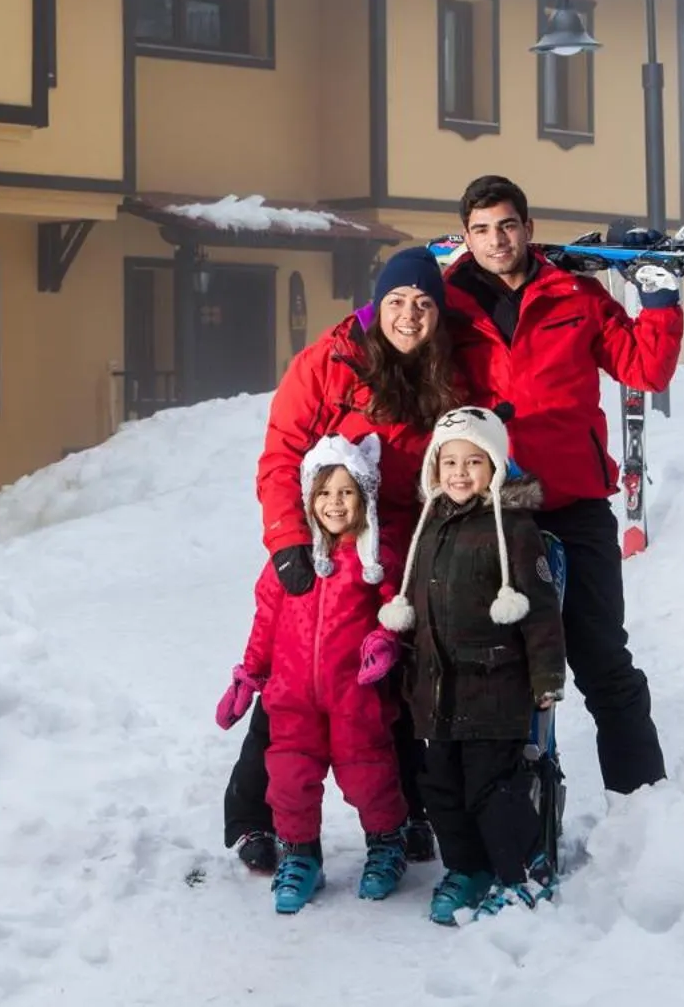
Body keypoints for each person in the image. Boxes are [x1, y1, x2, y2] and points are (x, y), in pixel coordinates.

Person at [222, 247, 468, 874]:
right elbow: (280, 457)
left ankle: (406, 811)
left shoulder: (443, 371)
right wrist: (287, 544)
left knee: (395, 684)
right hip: (326, 538)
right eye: (395, 302)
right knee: (293, 680)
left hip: (399, 549)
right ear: (374, 304)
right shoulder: (326, 363)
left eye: (422, 304)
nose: (409, 316)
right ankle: (257, 817)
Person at [440, 174, 681, 795]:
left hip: (573, 504)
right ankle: (509, 814)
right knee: (492, 672)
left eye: (508, 226)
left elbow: (645, 369)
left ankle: (643, 805)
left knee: (603, 661)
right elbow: (395, 350)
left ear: (528, 227)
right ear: (466, 236)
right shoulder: (446, 303)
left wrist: (657, 302)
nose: (497, 241)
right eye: (483, 230)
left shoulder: (574, 295)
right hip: (488, 512)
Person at [378, 405, 566, 924]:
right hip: (436, 693)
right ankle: (467, 868)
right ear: (433, 469)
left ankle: (520, 871)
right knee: (439, 788)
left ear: (496, 466)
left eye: (473, 461)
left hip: (494, 691)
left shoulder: (514, 530)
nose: (459, 473)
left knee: (492, 789)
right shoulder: (429, 527)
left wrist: (547, 675)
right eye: (449, 461)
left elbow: (543, 611)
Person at [216, 434, 412, 914]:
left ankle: (387, 844)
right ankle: (301, 857)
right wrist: (250, 675)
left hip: (355, 697)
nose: (334, 503)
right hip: (292, 698)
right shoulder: (291, 562)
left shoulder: (376, 559)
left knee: (367, 775)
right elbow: (265, 621)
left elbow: (397, 610)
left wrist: (385, 643)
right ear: (308, 499)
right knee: (288, 778)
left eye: (346, 491)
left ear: (364, 495)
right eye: (324, 493)